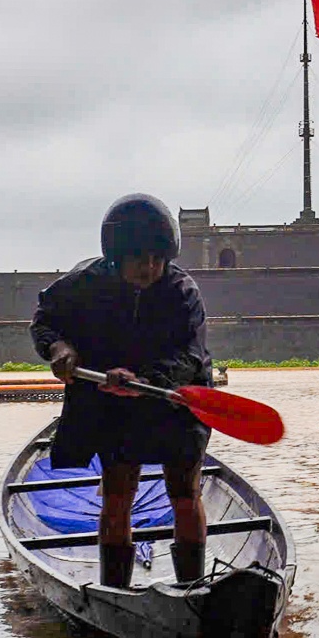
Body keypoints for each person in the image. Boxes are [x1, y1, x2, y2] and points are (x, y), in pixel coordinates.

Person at [31, 194, 214, 589]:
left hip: (175, 397)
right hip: (111, 399)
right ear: (115, 258)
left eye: (157, 259)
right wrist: (58, 348)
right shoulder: (81, 285)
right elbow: (45, 321)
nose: (149, 268)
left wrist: (144, 380)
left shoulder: (182, 291)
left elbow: (191, 354)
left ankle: (193, 589)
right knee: (117, 490)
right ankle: (115, 591)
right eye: (138, 259)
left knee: (184, 488)